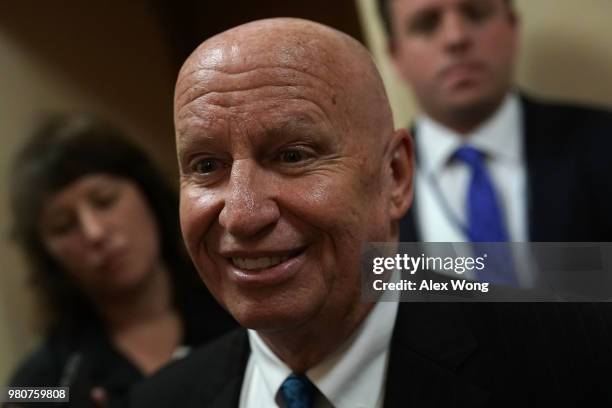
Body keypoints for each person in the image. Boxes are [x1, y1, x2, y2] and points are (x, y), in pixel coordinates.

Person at [129, 18, 612, 407]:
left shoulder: (575, 361)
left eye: (293, 155)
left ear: (396, 176)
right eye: (206, 166)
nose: (242, 215)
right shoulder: (159, 399)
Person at [6, 114, 235, 407]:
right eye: (64, 226)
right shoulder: (42, 383)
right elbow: (19, 396)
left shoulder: (241, 313)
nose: (95, 232)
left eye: (105, 200)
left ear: (147, 194)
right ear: (46, 254)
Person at [376, 0, 612, 246]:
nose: (456, 38)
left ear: (512, 26)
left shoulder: (603, 142)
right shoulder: (373, 190)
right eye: (427, 24)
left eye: (476, 14)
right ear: (395, 55)